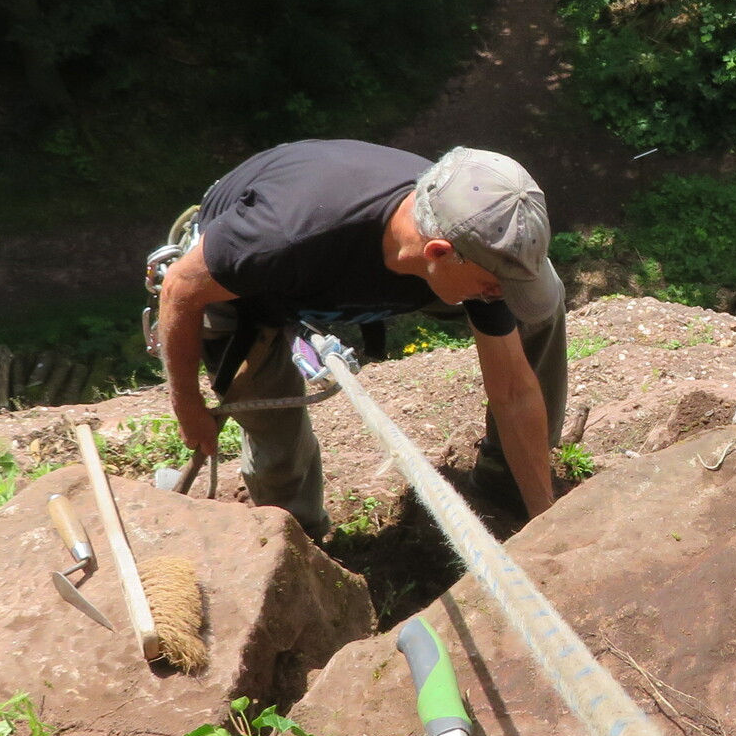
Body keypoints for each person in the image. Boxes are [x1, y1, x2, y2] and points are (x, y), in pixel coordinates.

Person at [157, 140, 565, 539]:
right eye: (493, 286)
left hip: (337, 268)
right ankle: (300, 542)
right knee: (277, 444)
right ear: (438, 252)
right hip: (245, 291)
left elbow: (514, 391)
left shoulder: (473, 244)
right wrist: (187, 405)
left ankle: (507, 481)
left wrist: (543, 525)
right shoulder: (283, 235)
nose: (498, 295)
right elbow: (180, 288)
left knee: (531, 314)